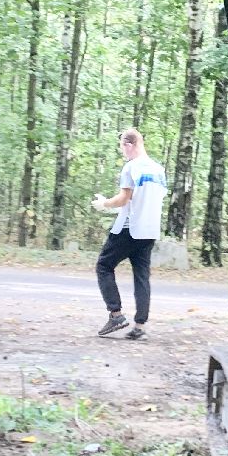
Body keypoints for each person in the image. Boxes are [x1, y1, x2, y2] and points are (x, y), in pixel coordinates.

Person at [92, 128, 167, 340]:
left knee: (104, 266)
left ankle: (116, 314)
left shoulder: (131, 168)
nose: (122, 152)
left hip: (129, 228)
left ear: (129, 144)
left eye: (122, 148)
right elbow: (146, 200)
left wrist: (104, 203)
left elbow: (124, 198)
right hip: (149, 229)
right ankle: (140, 326)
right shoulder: (158, 170)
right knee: (141, 275)